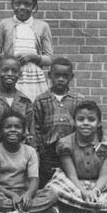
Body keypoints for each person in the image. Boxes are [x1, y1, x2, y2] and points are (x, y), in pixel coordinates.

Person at [45, 101, 107, 212]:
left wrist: (95, 191)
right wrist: (83, 192)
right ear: (74, 122)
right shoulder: (65, 144)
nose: (85, 123)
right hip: (73, 184)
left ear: (99, 123)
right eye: (81, 119)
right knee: (53, 189)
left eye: (91, 120)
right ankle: (98, 205)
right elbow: (72, 176)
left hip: (99, 184)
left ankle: (75, 205)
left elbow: (104, 177)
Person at [0, 111, 59, 213]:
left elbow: (34, 180)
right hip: (4, 194)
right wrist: (11, 194)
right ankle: (43, 212)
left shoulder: (30, 151)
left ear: (24, 131)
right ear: (1, 130)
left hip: (25, 193)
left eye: (18, 127)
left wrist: (29, 194)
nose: (13, 130)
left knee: (52, 194)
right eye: (8, 127)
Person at [0, 0, 54, 101]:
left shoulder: (42, 26)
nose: (22, 7)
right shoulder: (4, 25)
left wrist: (33, 57)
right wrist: (7, 59)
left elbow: (49, 58)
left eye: (27, 4)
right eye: (17, 3)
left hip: (34, 78)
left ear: (34, 6)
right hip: (11, 76)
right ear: (12, 4)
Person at [33, 58, 84, 187]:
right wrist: (40, 150)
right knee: (47, 182)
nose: (61, 79)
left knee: (71, 181)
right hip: (48, 153)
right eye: (57, 75)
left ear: (71, 77)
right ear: (50, 76)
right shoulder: (41, 100)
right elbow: (36, 127)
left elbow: (83, 124)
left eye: (65, 76)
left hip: (72, 152)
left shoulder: (78, 99)